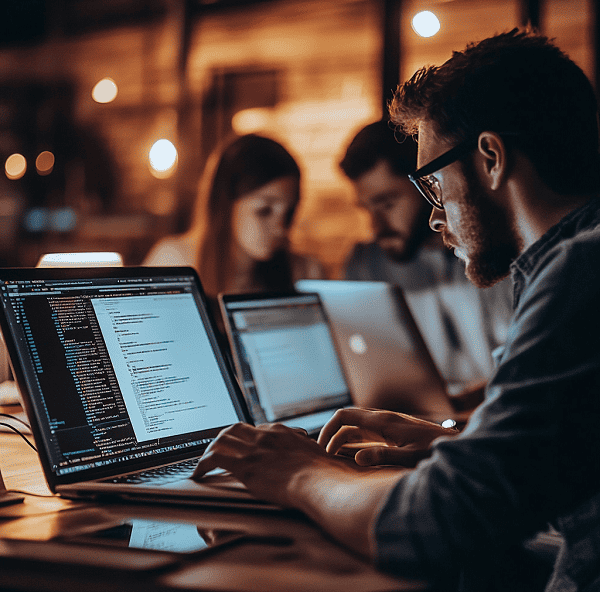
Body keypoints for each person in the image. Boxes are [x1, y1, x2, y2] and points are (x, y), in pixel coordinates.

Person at [192, 29, 600, 591]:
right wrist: (457, 448)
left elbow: (433, 524)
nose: (435, 217)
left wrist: (300, 472)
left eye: (433, 184)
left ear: (490, 158)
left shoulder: (581, 273)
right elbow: (567, 465)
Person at [340, 120, 513, 393]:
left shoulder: (498, 252)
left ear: (428, 185)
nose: (375, 225)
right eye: (367, 208)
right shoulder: (366, 269)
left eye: (387, 203)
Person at [144, 133, 325, 302]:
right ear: (225, 205)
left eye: (289, 212)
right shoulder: (174, 261)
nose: (280, 228)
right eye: (264, 210)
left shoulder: (303, 273)